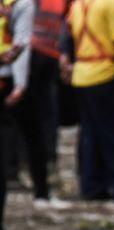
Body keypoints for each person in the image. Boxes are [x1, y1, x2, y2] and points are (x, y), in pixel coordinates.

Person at [61, 0, 114, 202]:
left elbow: (67, 38)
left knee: (90, 134)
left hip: (83, 75)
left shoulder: (78, 5)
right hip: (108, 74)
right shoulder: (113, 3)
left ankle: (91, 186)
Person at [1, 0, 50, 210]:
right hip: (10, 79)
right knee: (33, 135)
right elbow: (22, 44)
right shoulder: (22, 4)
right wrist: (21, 85)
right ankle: (41, 192)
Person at [30, 0, 66, 182]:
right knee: (46, 111)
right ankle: (48, 161)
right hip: (49, 53)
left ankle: (34, 164)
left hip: (34, 53)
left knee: (34, 113)